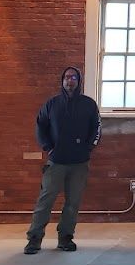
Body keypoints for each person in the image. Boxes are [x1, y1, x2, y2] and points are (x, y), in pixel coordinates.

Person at [25, 66, 101, 254]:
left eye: (73, 77)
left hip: (79, 163)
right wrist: (48, 148)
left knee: (73, 202)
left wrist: (88, 148)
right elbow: (40, 126)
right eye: (67, 77)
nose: (70, 80)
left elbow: (97, 128)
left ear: (79, 81)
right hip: (56, 161)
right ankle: (34, 238)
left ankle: (65, 237)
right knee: (45, 200)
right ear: (62, 81)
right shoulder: (52, 104)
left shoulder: (89, 105)